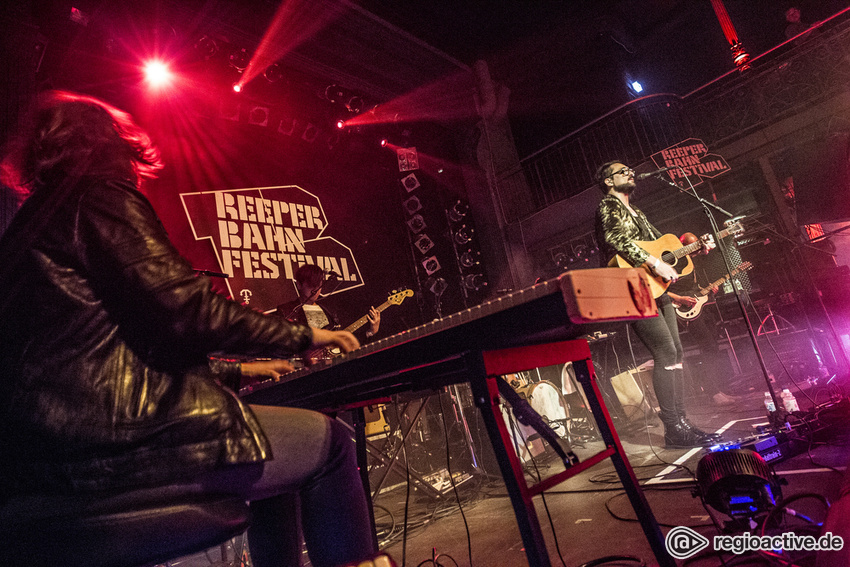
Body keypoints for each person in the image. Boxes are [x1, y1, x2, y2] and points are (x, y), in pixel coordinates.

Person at [0, 91, 394, 567]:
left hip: (44, 462)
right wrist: (304, 337)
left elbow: (105, 355)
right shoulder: (98, 197)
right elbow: (188, 310)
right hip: (118, 449)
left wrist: (241, 370)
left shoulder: (24, 231)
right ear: (105, 144)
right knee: (329, 443)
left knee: (275, 454)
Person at [594, 160, 719, 448]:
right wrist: (652, 263)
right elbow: (615, 238)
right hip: (631, 286)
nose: (630, 173)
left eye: (630, 169)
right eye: (621, 171)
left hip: (654, 288)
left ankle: (683, 423)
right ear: (608, 181)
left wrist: (693, 250)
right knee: (664, 351)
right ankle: (673, 428)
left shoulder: (636, 211)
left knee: (675, 352)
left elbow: (661, 248)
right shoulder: (608, 207)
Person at [276, 264, 380, 356]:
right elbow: (279, 344)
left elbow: (342, 341)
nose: (315, 290)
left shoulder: (329, 311)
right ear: (299, 285)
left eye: (318, 285)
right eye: (310, 285)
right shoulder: (286, 310)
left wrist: (370, 332)